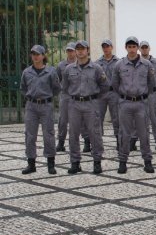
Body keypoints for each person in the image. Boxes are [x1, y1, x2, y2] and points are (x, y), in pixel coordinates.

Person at [62, 40, 109, 175]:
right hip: (74, 104)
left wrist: (94, 98)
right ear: (75, 51)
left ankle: (97, 162)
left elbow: (104, 86)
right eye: (78, 49)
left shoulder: (96, 68)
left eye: (83, 48)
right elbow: (65, 87)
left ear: (87, 50)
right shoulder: (69, 69)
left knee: (95, 133)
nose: (80, 51)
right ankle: (75, 163)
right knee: (73, 134)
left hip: (91, 103)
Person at [112, 36, 156, 174]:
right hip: (125, 103)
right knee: (124, 133)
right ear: (126, 48)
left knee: (144, 133)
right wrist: (124, 95)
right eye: (129, 47)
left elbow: (151, 83)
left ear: (137, 48)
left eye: (134, 46)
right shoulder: (119, 65)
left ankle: (147, 161)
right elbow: (115, 84)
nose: (132, 49)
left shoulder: (147, 65)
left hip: (141, 103)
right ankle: (123, 162)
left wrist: (143, 95)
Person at [20, 45, 61, 174]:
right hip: (31, 106)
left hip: (46, 105)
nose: (35, 56)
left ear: (43, 56)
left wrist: (45, 97)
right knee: (30, 135)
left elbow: (56, 88)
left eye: (38, 54)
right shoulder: (26, 72)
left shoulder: (51, 71)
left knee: (48, 134)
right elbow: (23, 88)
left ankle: (50, 163)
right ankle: (31, 164)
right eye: (33, 54)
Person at [136, 41, 156, 151]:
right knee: (138, 119)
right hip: (139, 94)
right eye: (142, 47)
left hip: (152, 93)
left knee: (154, 118)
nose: (144, 49)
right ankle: (134, 141)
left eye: (146, 47)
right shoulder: (136, 62)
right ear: (139, 49)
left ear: (149, 48)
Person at [96, 39, 120, 149]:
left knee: (116, 117)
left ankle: (119, 140)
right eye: (104, 47)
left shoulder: (118, 62)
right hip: (101, 94)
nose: (106, 48)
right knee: (98, 117)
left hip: (114, 93)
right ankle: (98, 141)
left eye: (108, 46)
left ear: (112, 47)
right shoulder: (97, 63)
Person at [56, 42, 76, 152]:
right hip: (65, 95)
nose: (70, 53)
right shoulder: (61, 65)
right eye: (68, 50)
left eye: (72, 50)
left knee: (78, 120)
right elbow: (57, 79)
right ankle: (61, 142)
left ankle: (85, 141)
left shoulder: (79, 64)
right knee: (62, 120)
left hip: (77, 95)